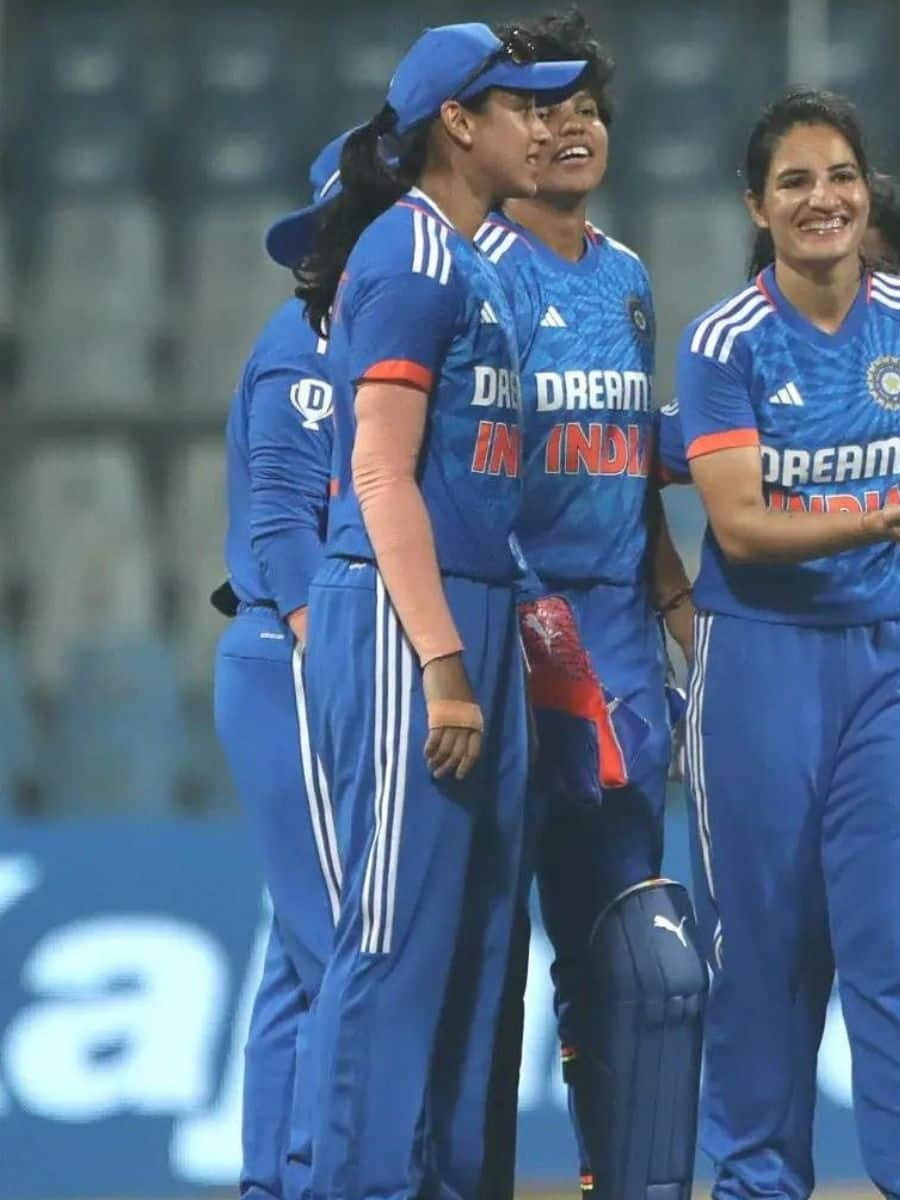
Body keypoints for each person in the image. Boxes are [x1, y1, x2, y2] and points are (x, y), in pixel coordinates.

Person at [282, 24, 585, 1200]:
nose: (546, 125)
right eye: (522, 105)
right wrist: (444, 664)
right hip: (416, 618)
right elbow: (377, 474)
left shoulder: (476, 258)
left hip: (479, 608)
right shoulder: (410, 256)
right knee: (395, 939)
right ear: (458, 123)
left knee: (474, 948)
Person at [673, 88, 900, 1198]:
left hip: (897, 665)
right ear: (757, 204)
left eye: (840, 175)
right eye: (795, 181)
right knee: (759, 965)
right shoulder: (725, 344)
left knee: (894, 965)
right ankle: (760, 1184)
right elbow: (744, 527)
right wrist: (882, 513)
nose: (824, 199)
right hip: (761, 665)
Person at [479, 12, 707, 1198]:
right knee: (480, 965)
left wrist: (675, 605)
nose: (572, 130)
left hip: (617, 660)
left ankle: (618, 1178)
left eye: (589, 109)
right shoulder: (479, 276)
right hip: (507, 653)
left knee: (627, 962)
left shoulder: (626, 280)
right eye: (546, 110)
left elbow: (630, 469)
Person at [212, 131, 349, 1200]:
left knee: (298, 955)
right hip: (290, 656)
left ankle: (275, 1182)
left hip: (295, 657)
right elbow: (283, 530)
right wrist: (331, 652)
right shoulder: (305, 344)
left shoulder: (371, 329)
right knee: (342, 942)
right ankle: (318, 1179)